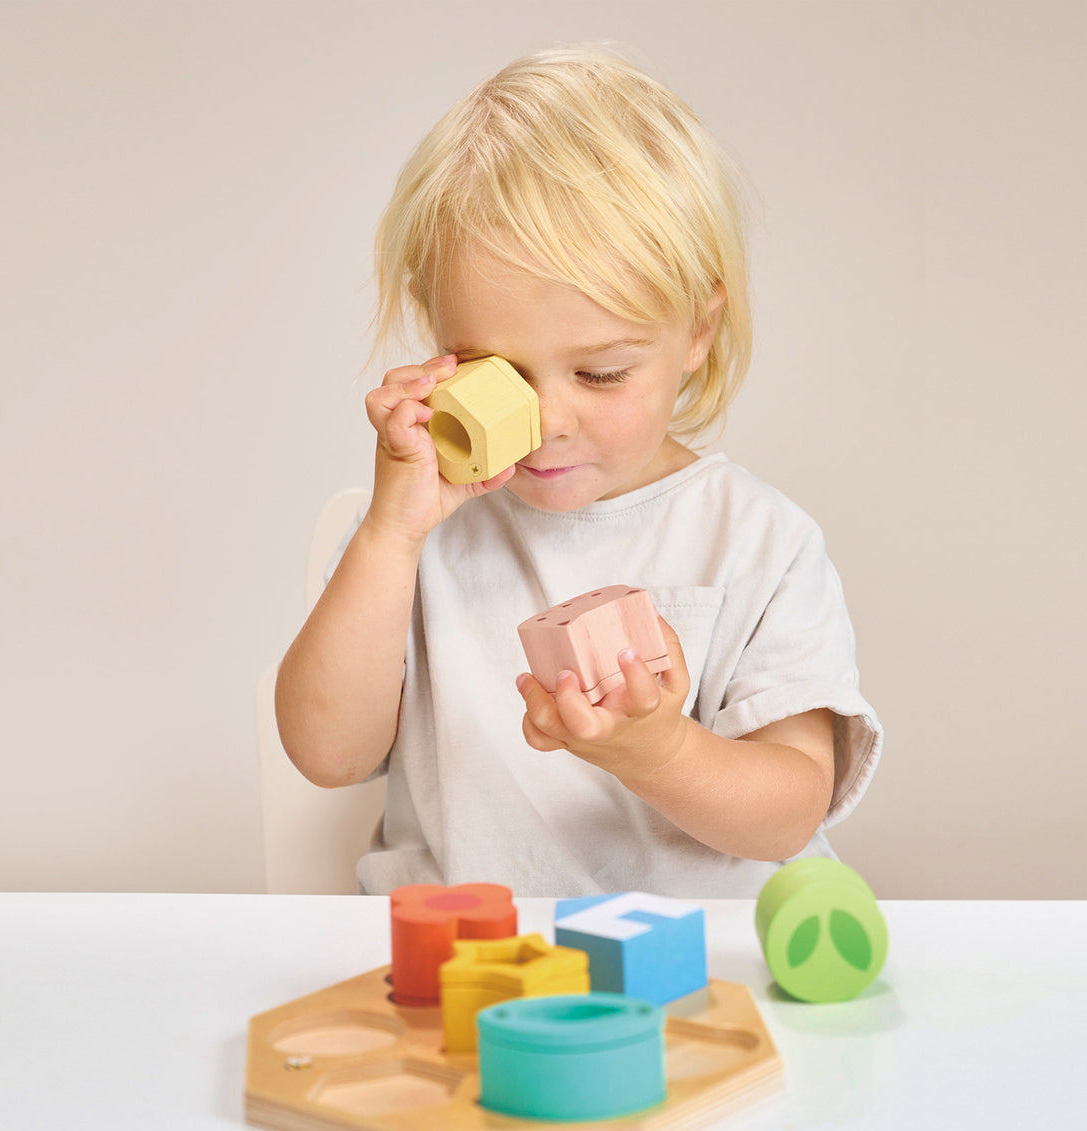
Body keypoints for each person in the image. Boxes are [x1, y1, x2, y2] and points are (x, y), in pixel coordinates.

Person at [275, 46, 883, 897]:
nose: (547, 420)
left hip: (692, 976)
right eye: (496, 369)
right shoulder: (414, 540)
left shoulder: (755, 540)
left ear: (698, 332)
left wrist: (659, 751)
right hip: (475, 975)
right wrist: (390, 531)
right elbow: (326, 754)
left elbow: (788, 811)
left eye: (599, 374)